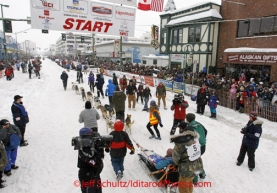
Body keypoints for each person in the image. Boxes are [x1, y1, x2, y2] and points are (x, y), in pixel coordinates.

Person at [171, 125, 203, 193]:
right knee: (189, 183)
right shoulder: (196, 139)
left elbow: (175, 157)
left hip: (186, 169)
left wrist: (176, 163)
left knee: (183, 188)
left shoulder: (180, 143)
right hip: (197, 166)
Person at [77, 128, 104, 193]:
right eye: (90, 136)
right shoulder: (84, 150)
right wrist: (99, 151)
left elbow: (99, 163)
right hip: (88, 178)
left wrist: (99, 147)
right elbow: (95, 163)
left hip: (94, 176)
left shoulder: (91, 147)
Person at [186, 114, 207, 183]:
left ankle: (195, 180)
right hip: (203, 146)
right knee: (198, 160)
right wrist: (203, 138)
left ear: (187, 119)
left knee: (193, 162)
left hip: (197, 147)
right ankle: (202, 174)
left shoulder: (190, 127)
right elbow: (206, 131)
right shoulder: (199, 124)